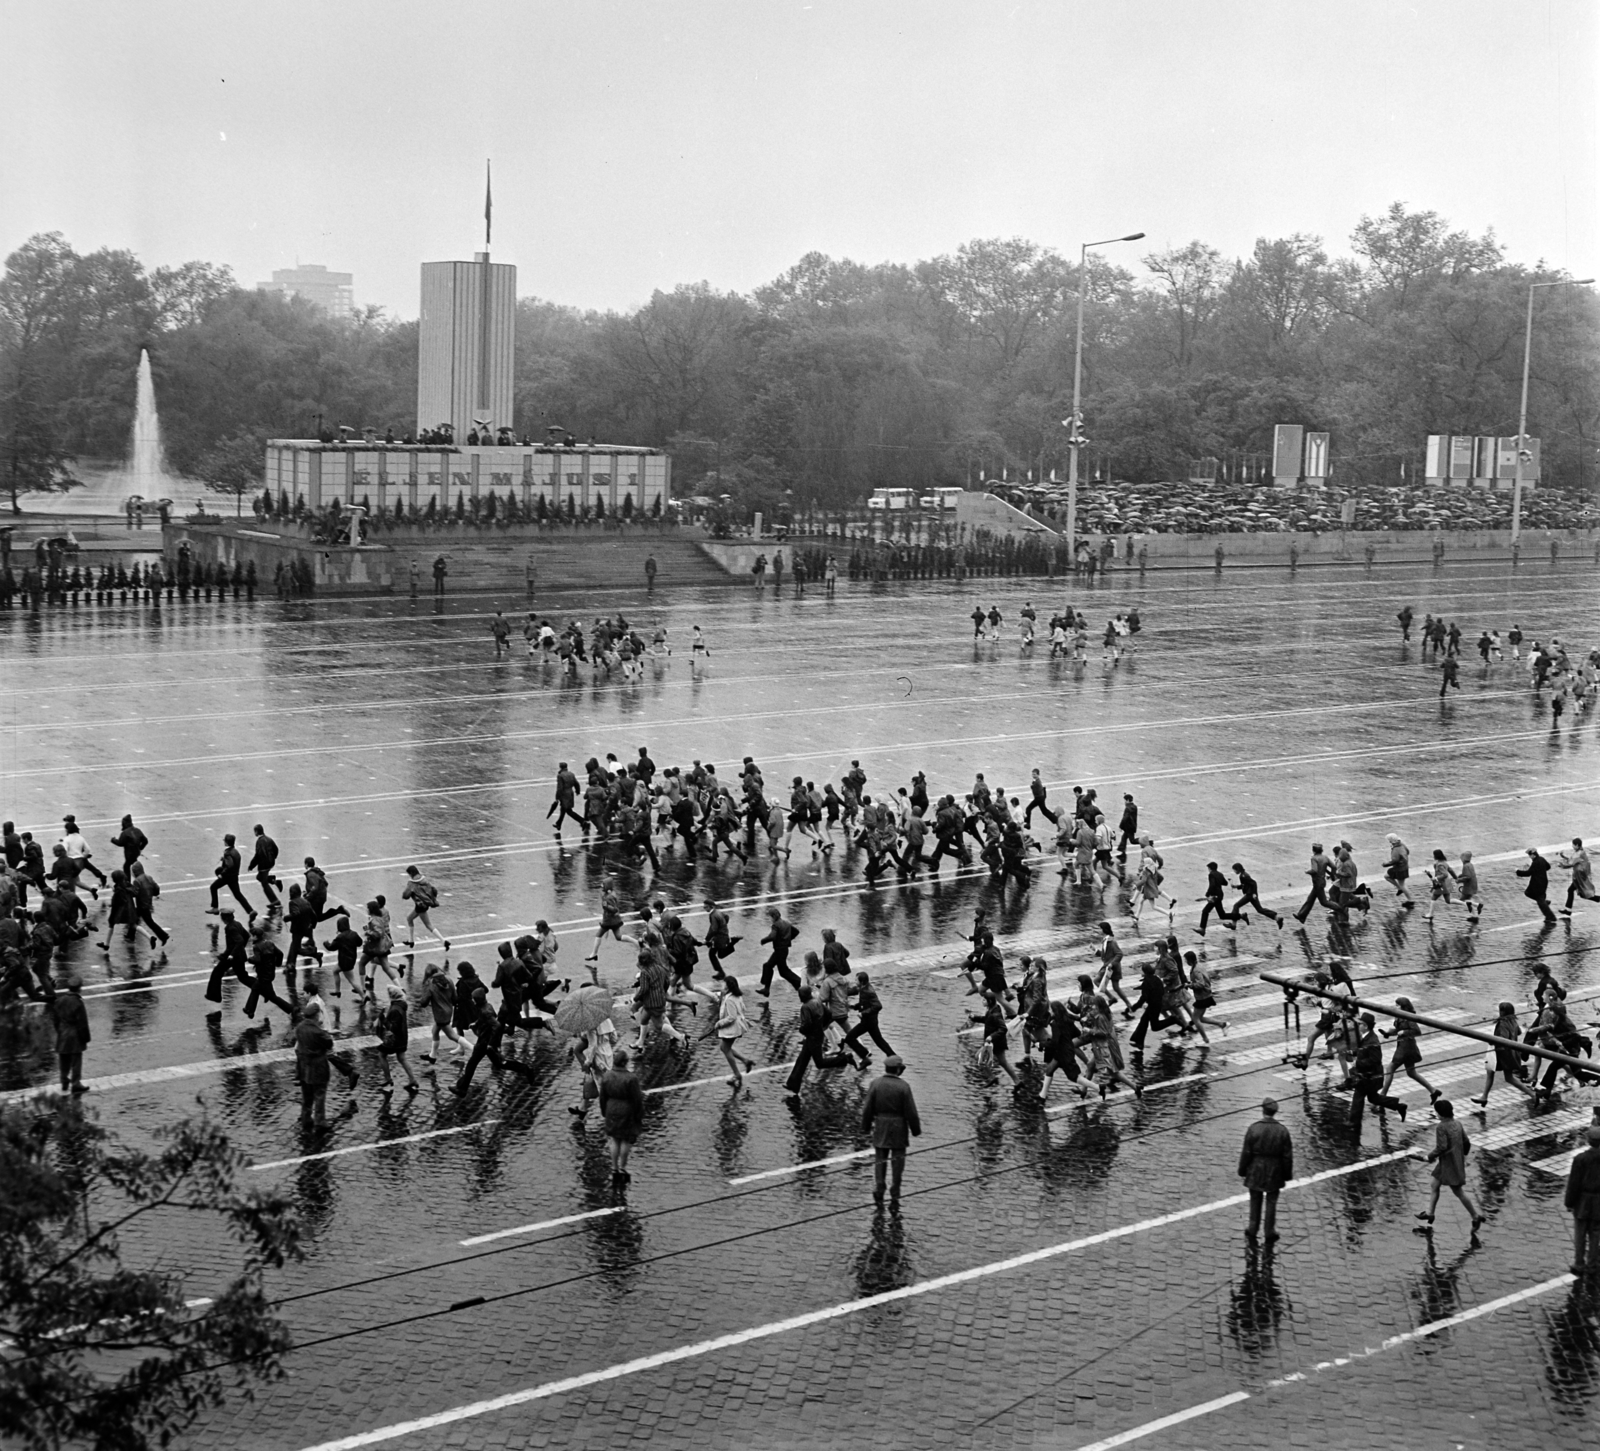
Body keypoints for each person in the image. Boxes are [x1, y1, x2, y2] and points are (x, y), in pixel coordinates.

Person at [1415, 1099, 1485, 1238]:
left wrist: (1428, 1157)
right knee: (1434, 1184)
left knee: (1458, 1191)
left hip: (1449, 1163)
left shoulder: (1441, 1127)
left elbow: (1442, 1147)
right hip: (1452, 1161)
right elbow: (1466, 1142)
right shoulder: (1457, 1123)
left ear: (1440, 1113)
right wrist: (1461, 1155)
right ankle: (1430, 1213)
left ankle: (1475, 1216)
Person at [861, 1054, 921, 1208]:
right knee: (898, 1162)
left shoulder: (875, 1084)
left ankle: (879, 1188)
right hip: (899, 1127)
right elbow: (911, 1112)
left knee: (880, 1160)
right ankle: (895, 1191)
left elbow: (867, 1108)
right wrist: (915, 1129)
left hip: (881, 1126)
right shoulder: (904, 1087)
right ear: (898, 1070)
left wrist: (865, 1127)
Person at [1238, 1098, 1293, 1245]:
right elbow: (1287, 1156)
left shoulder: (1253, 1128)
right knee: (1271, 1201)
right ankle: (1269, 1230)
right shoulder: (1283, 1131)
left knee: (1255, 1199)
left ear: (1263, 1110)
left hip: (1256, 1168)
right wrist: (1287, 1175)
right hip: (1274, 1170)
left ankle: (1252, 1227)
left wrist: (1242, 1170)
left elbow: (1246, 1152)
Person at [1350, 1012, 1407, 1130]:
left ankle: (1354, 1123)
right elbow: (1363, 1051)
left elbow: (1375, 1060)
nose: (1358, 1025)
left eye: (1360, 1024)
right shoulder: (1366, 1036)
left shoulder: (1372, 1040)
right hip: (1370, 1076)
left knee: (1358, 1096)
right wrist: (1353, 1053)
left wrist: (1358, 1063)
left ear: (1365, 1026)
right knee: (1373, 1098)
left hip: (1371, 1076)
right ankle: (1398, 1105)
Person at [599, 1047, 645, 1185]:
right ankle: (623, 1167)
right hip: (627, 1110)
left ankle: (614, 1168)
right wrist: (639, 1114)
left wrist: (604, 1111)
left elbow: (602, 1097)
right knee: (625, 1140)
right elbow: (637, 1099)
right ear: (625, 1062)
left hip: (611, 1110)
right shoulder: (631, 1078)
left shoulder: (607, 1076)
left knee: (614, 1140)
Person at [1565, 1126, 1600, 1276]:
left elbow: (1574, 1183)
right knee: (1595, 1234)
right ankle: (1592, 1264)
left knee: (1580, 1234)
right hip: (1599, 1202)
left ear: (1588, 1140)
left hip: (1583, 1201)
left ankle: (1579, 1263)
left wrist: (1569, 1202)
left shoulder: (1580, 1159)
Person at [50, 974, 91, 1093]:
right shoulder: (78, 1002)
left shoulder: (59, 1000)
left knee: (63, 1058)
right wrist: (85, 1038)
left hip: (62, 1033)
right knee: (76, 1060)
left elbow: (55, 1019)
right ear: (79, 988)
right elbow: (82, 1023)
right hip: (74, 1035)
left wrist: (59, 1031)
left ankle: (64, 1081)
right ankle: (76, 1083)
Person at [377, 984, 420, 1095]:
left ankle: (388, 1080)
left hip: (395, 1040)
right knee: (401, 1058)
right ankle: (412, 1080)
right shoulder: (401, 1005)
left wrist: (383, 1019)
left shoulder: (395, 1009)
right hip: (402, 1037)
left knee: (381, 1055)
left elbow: (393, 1028)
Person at [206, 833, 255, 918]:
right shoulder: (235, 851)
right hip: (234, 876)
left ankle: (215, 908)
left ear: (226, 842)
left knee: (213, 887)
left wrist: (222, 874)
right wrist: (224, 859)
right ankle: (250, 911)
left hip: (227, 877)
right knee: (238, 894)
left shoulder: (227, 853)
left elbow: (230, 865)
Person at [1517, 846, 1558, 924]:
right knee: (1528, 893)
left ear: (1533, 855)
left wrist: (1518, 872)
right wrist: (1541, 870)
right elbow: (1548, 866)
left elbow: (1528, 873)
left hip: (1537, 884)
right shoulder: (1541, 859)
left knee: (1539, 900)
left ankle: (1551, 917)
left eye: (1529, 855)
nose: (1529, 857)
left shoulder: (1535, 862)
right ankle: (1545, 903)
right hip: (1543, 882)